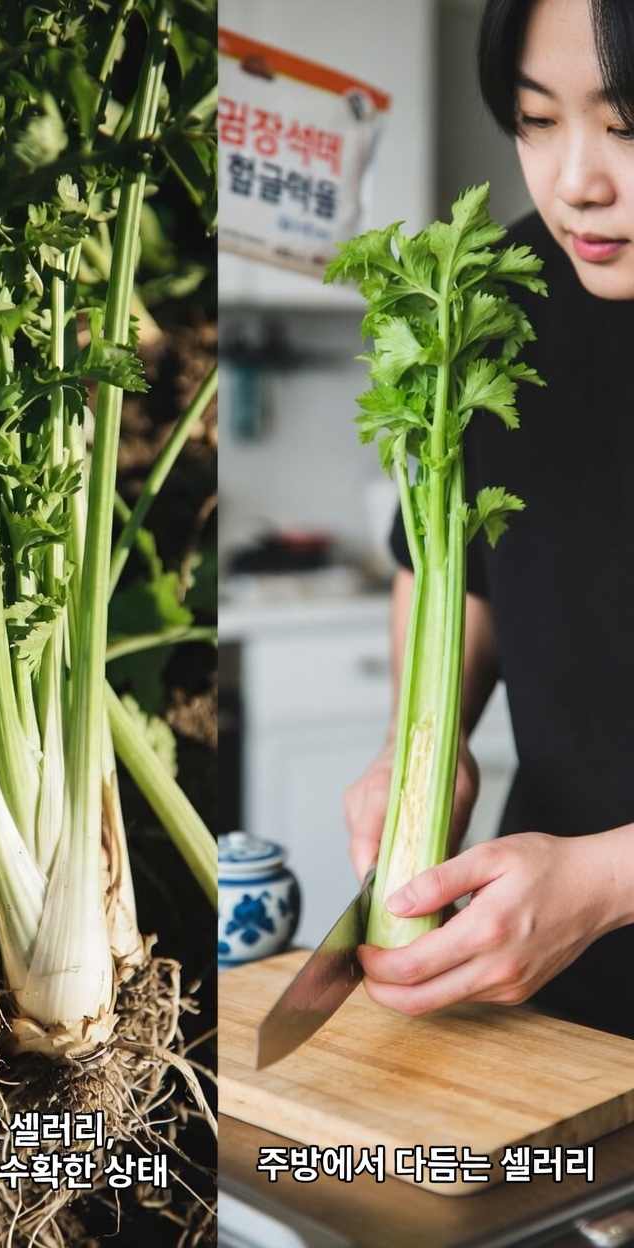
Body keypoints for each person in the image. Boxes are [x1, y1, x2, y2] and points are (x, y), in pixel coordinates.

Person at [346, 0, 634, 1038]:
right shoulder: (491, 297)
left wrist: (606, 879)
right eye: (534, 120)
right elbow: (451, 566)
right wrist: (416, 747)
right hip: (544, 984)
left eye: (627, 123)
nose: (576, 182)